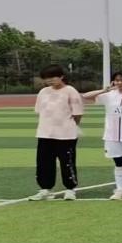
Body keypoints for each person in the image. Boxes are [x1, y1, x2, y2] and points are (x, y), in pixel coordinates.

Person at [82, 72, 122, 200]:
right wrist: (104, 90)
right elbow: (85, 96)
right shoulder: (109, 95)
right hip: (112, 135)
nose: (119, 83)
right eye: (116, 80)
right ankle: (120, 189)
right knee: (119, 163)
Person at [30, 64, 83, 201]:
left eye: (53, 77)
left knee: (67, 162)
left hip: (66, 134)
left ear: (61, 77)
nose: (49, 80)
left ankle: (70, 189)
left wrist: (71, 126)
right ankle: (45, 189)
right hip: (45, 133)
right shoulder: (43, 92)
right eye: (46, 78)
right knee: (44, 163)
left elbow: (77, 114)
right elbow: (39, 111)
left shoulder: (70, 91)